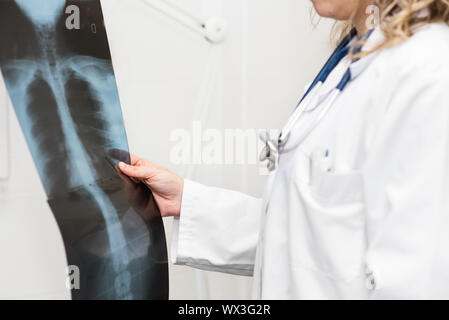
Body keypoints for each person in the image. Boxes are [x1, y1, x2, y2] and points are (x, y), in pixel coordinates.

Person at [118, 0, 449, 299]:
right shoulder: (347, 65)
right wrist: (187, 203)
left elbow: (418, 279)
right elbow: (308, 239)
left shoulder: (428, 72)